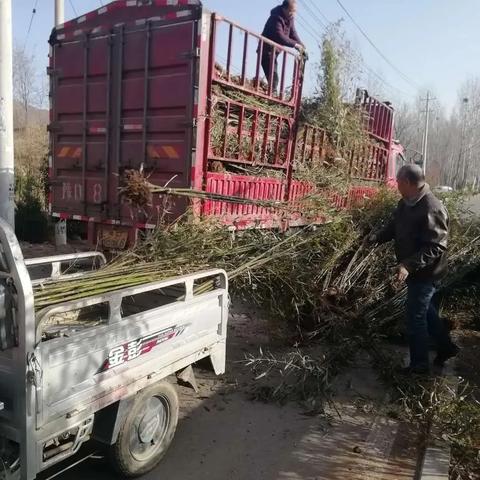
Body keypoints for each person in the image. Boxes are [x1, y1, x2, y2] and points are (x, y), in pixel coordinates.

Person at [370, 165, 459, 374]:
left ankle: (419, 366)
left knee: (415, 317)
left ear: (408, 183)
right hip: (414, 271)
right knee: (426, 312)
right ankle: (447, 348)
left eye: (398, 182)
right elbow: (395, 226)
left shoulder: (431, 207)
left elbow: (436, 246)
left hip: (427, 273)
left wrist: (407, 265)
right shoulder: (406, 203)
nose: (397, 186)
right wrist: (376, 238)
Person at [260, 0, 305, 91]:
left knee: (274, 77)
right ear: (284, 9)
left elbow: (293, 33)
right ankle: (272, 97)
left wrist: (302, 46)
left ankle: (272, 95)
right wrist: (295, 45)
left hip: (274, 52)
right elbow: (279, 36)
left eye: (294, 11)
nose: (293, 14)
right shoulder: (276, 18)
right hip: (266, 51)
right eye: (291, 11)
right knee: (274, 78)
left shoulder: (289, 19)